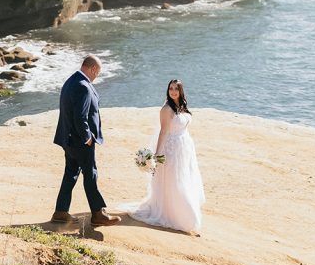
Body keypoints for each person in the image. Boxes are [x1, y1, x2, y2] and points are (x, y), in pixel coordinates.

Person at [128, 79, 205, 234]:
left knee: (184, 177)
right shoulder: (166, 109)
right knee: (175, 180)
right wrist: (156, 155)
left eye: (176, 89)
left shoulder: (181, 106)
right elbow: (163, 132)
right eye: (171, 88)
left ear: (181, 91)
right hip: (172, 148)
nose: (173, 91)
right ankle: (182, 215)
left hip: (184, 147)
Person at [51, 55, 120, 227]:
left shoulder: (71, 81)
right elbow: (80, 117)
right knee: (91, 175)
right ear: (93, 69)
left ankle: (60, 212)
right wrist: (88, 138)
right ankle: (98, 214)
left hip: (68, 139)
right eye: (98, 72)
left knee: (71, 174)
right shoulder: (83, 86)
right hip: (80, 141)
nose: (97, 75)